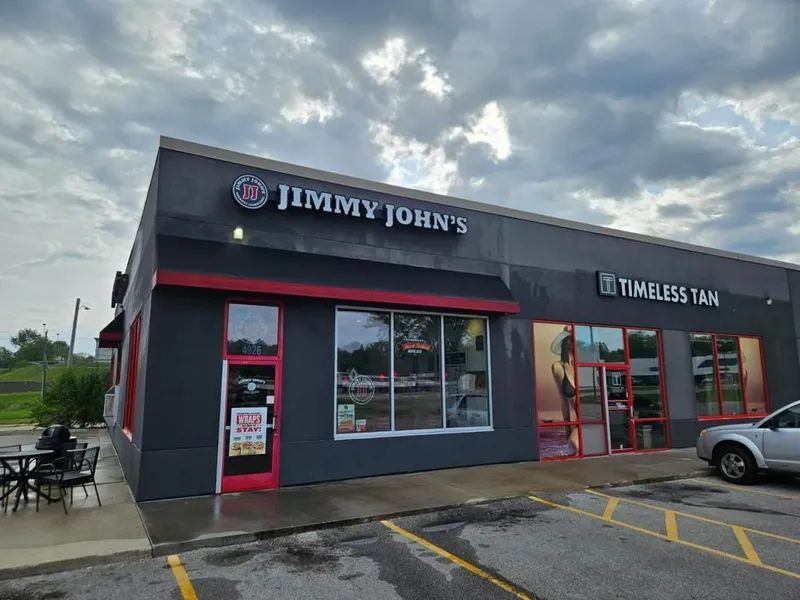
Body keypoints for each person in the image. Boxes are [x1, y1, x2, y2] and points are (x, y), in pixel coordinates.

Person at [550, 327, 580, 454]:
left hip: (593, 417)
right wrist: (567, 431)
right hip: (581, 420)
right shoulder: (557, 367)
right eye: (568, 339)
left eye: (572, 339)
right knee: (574, 444)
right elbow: (564, 402)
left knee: (576, 446)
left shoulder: (583, 364)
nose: (570, 342)